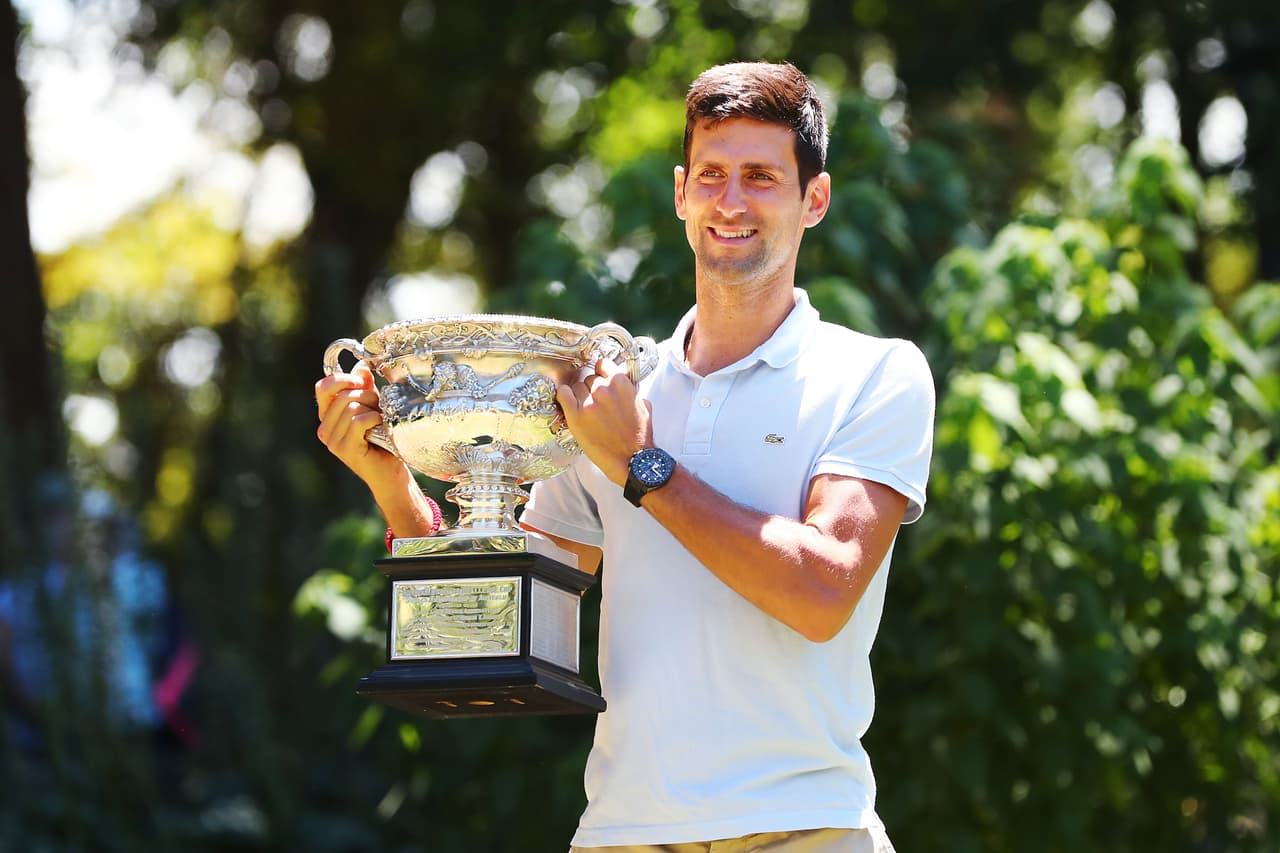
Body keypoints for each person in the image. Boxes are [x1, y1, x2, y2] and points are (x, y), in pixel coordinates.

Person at [316, 61, 934, 853]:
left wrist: (644, 462)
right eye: (712, 174)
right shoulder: (607, 392)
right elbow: (497, 625)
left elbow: (822, 589)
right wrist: (390, 478)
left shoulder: (875, 374)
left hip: (808, 827)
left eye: (761, 177)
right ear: (681, 193)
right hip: (623, 832)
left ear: (813, 199)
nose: (732, 201)